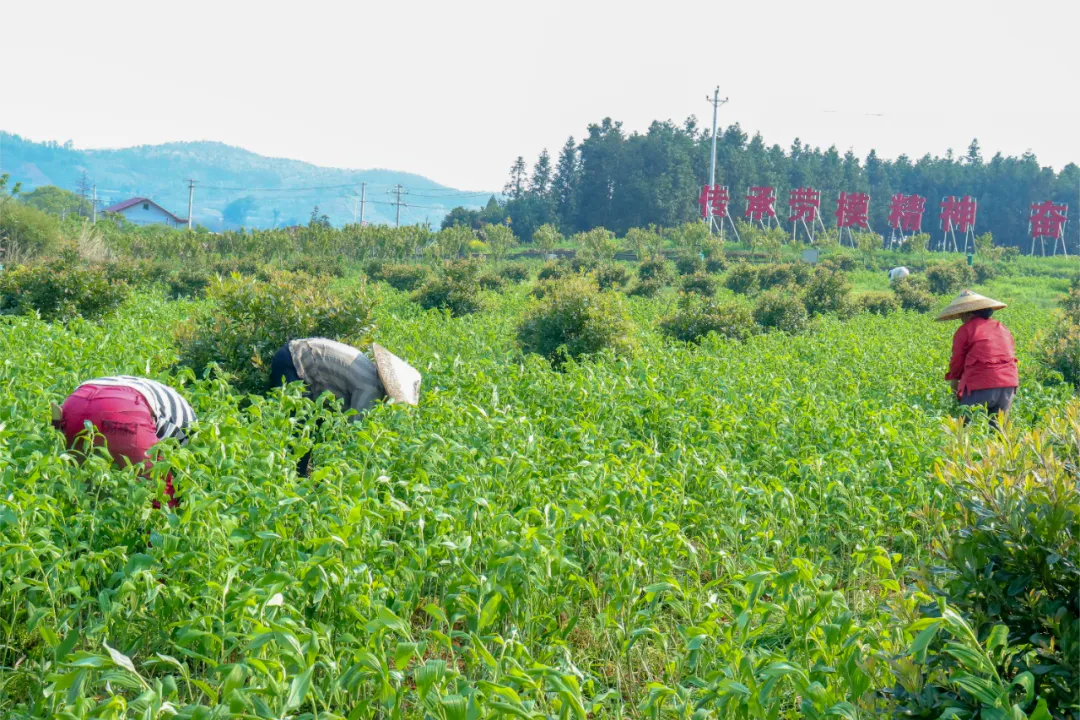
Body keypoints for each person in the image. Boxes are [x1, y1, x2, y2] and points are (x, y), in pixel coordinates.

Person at [268, 338, 421, 474]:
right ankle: (291, 483)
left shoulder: (370, 371)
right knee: (301, 432)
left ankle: (303, 478)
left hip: (296, 356)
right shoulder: (370, 389)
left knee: (315, 428)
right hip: (292, 362)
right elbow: (354, 434)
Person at [52, 375, 195, 506]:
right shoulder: (189, 427)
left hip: (76, 401)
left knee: (84, 488)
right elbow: (173, 468)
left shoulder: (167, 399)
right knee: (157, 494)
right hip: (126, 407)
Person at [936, 290, 1018, 424]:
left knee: (964, 429)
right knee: (998, 431)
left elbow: (957, 361)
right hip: (1008, 384)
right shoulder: (1002, 328)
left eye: (962, 314)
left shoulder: (965, 330)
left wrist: (954, 380)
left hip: (980, 384)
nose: (961, 318)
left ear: (969, 313)